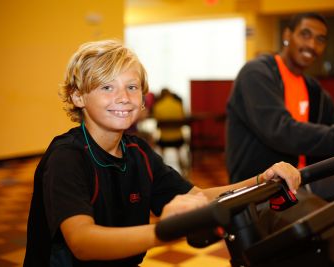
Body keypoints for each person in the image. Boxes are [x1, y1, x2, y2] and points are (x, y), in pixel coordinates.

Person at [23, 39, 301, 267]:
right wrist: (163, 232)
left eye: (132, 87)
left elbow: (198, 197)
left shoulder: (137, 152)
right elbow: (82, 242)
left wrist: (261, 179)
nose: (123, 97)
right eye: (107, 87)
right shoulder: (66, 157)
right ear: (77, 96)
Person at [226, 12, 334, 265]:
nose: (312, 45)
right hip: (266, 185)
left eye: (320, 39)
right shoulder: (257, 73)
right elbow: (281, 131)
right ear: (287, 36)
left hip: (309, 176)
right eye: (305, 35)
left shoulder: (315, 90)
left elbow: (333, 142)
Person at [152, 87, 188, 176]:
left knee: (156, 143)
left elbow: (156, 120)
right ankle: (184, 172)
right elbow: (183, 117)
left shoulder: (158, 106)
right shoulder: (178, 104)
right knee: (180, 148)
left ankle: (161, 169)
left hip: (164, 140)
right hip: (178, 139)